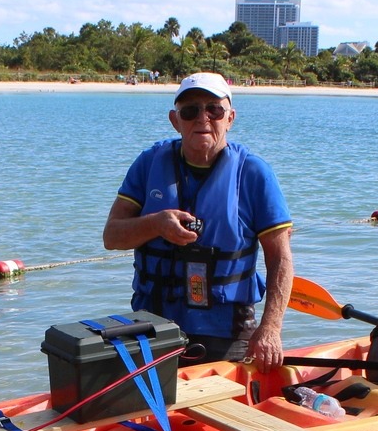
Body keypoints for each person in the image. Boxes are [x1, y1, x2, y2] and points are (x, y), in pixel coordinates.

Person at [102, 72, 294, 371]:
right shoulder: (149, 164)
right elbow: (112, 237)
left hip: (226, 333)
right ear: (174, 120)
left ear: (230, 117)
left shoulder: (254, 174)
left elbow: (280, 259)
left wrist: (270, 329)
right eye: (190, 111)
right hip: (152, 327)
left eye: (213, 109)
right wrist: (156, 223)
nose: (202, 118)